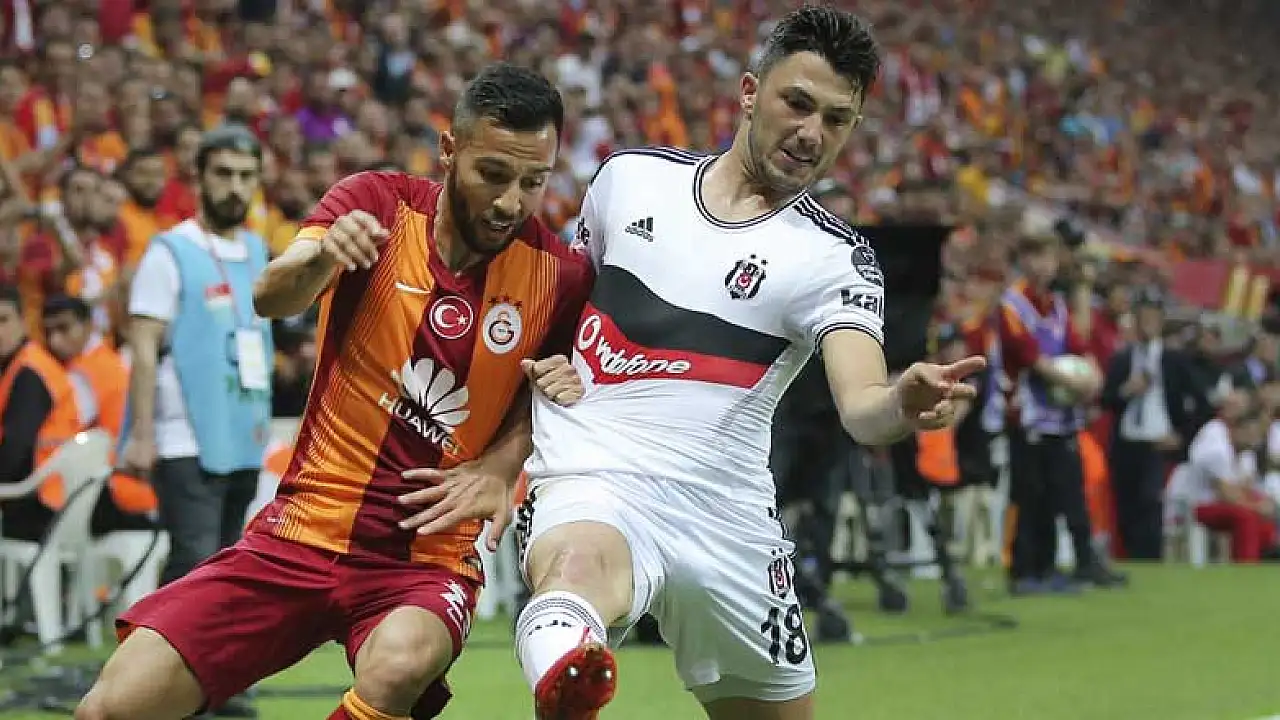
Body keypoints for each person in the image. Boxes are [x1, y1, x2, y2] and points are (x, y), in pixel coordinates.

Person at [411, 9, 977, 719]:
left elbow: (862, 406)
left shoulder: (836, 259)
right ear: (750, 92)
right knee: (576, 573)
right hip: (597, 473)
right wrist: (546, 375)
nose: (811, 132)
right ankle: (567, 676)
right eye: (797, 103)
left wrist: (901, 402)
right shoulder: (629, 181)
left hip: (727, 520)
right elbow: (557, 309)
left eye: (836, 119)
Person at [76, 63, 593, 720]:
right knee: (109, 708)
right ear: (449, 149)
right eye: (493, 174)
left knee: (400, 664)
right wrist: (323, 258)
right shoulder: (377, 204)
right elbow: (272, 296)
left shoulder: (559, 276)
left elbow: (545, 390)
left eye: (532, 182)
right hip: (302, 529)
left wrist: (501, 463)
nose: (509, 203)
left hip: (426, 558)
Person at [997, 229, 1124, 592]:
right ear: (1024, 260)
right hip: (1027, 416)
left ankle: (1062, 565)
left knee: (1065, 492)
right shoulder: (1012, 306)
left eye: (1049, 257)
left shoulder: (1056, 305)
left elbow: (1077, 345)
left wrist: (1093, 376)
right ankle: (1024, 570)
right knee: (1029, 494)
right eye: (1036, 256)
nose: (1043, 265)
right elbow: (1028, 356)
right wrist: (1075, 382)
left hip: (1061, 416)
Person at [1101, 292, 1206, 559]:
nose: (1147, 324)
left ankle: (1150, 558)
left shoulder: (1174, 360)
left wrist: (1181, 436)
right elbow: (1105, 399)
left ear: (1160, 322)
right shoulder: (1123, 359)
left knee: (1150, 501)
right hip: (1126, 443)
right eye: (1143, 318)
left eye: (1152, 318)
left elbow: (1201, 403)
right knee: (1126, 505)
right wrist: (1126, 391)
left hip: (1158, 443)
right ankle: (1130, 557)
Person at [41, 294, 156, 537]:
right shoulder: (106, 362)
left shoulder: (84, 374)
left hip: (109, 488)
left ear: (88, 325)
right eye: (48, 331)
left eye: (64, 328)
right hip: (126, 483)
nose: (54, 340)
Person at [0, 284, 81, 541]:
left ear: (24, 322)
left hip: (42, 501)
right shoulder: (18, 366)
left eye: (3, 320)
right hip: (45, 497)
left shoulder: (31, 373)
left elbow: (14, 453)